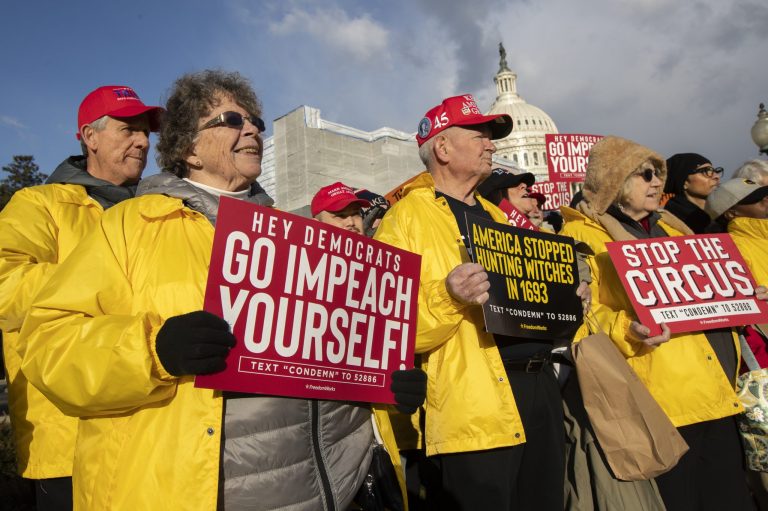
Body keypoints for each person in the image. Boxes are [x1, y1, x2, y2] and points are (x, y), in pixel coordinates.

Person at [19, 70, 422, 509]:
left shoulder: (300, 237)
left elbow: (333, 347)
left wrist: (383, 386)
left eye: (256, 122)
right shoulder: (128, 226)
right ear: (187, 147)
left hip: (336, 486)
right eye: (231, 119)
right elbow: (49, 346)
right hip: (209, 490)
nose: (251, 129)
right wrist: (153, 349)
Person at [375, 93, 582, 510]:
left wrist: (571, 302)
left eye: (491, 136)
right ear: (443, 148)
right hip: (474, 403)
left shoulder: (499, 216)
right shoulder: (407, 218)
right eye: (480, 134)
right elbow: (392, 326)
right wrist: (449, 296)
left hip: (539, 387)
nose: (491, 144)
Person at [560, 136, 755, 511]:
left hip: (715, 394)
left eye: (658, 175)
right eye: (645, 174)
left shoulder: (672, 227)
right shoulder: (580, 236)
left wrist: (743, 296)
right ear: (615, 182)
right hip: (657, 405)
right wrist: (627, 328)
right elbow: (578, 320)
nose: (656, 183)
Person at [0, 84, 162, 510]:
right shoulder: (38, 205)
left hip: (156, 431)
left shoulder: (160, 211)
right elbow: (5, 287)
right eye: (129, 129)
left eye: (145, 132)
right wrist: (111, 284)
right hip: (68, 438)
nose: (143, 141)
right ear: (90, 137)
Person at [706, 178, 768, 510]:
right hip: (759, 361)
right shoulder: (729, 248)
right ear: (732, 211)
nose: (767, 203)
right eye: (758, 200)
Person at [663, 152, 723, 233]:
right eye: (707, 171)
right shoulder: (668, 221)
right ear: (684, 182)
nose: (716, 176)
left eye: (715, 171)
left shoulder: (725, 217)